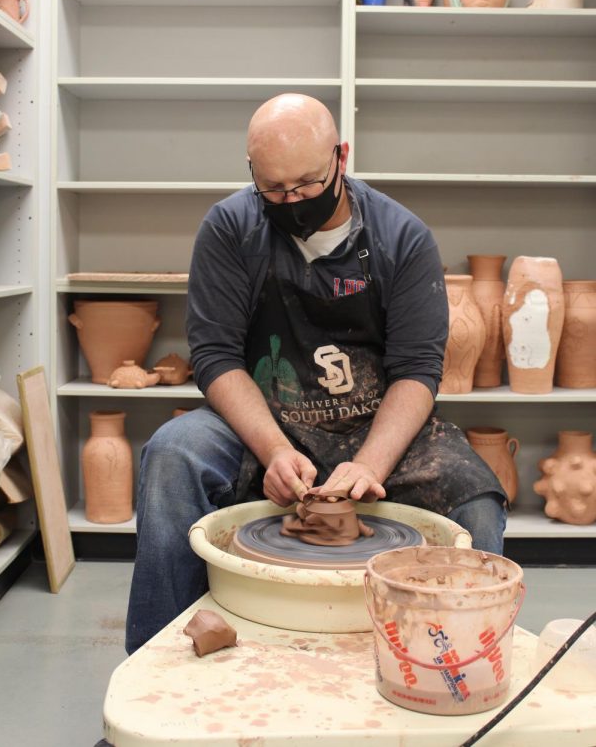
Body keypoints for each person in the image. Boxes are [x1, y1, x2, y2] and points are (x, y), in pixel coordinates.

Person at [125, 93, 506, 654]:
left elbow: (417, 369)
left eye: (305, 185)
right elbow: (215, 357)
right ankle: (157, 672)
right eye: (273, 190)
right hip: (265, 418)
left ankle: (458, 668)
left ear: (340, 157)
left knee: (475, 500)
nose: (291, 200)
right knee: (171, 455)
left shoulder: (402, 237)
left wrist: (370, 465)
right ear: (253, 173)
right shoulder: (232, 228)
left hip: (374, 424)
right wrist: (274, 449)